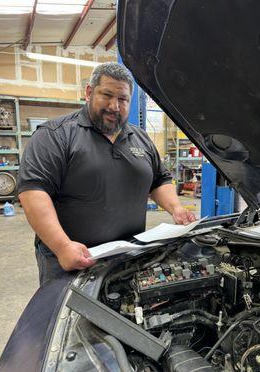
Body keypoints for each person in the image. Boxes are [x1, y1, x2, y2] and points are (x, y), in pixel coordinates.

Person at [18, 62, 196, 285]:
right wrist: (62, 246)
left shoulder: (140, 139)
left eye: (122, 99)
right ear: (89, 92)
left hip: (129, 255)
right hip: (72, 258)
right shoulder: (55, 135)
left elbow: (159, 180)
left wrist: (176, 208)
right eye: (107, 95)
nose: (114, 106)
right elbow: (33, 192)